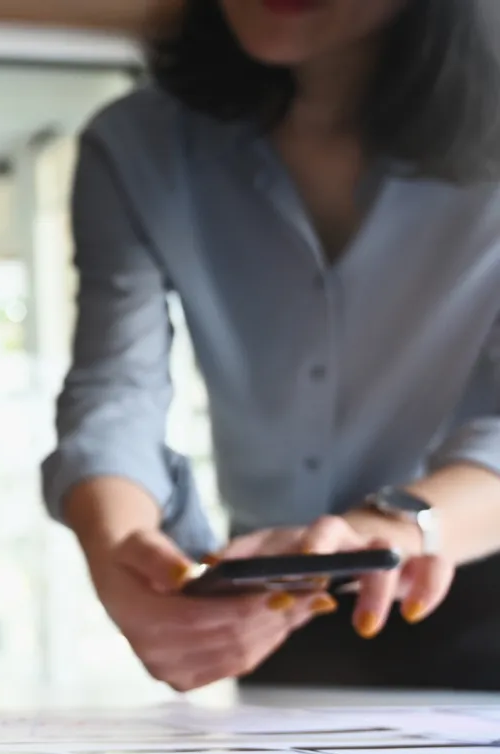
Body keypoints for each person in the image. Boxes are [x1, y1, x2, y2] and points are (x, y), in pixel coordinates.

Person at [43, 0, 500, 691]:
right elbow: (116, 390)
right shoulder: (138, 145)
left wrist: (399, 528)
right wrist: (117, 545)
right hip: (273, 598)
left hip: (464, 570)